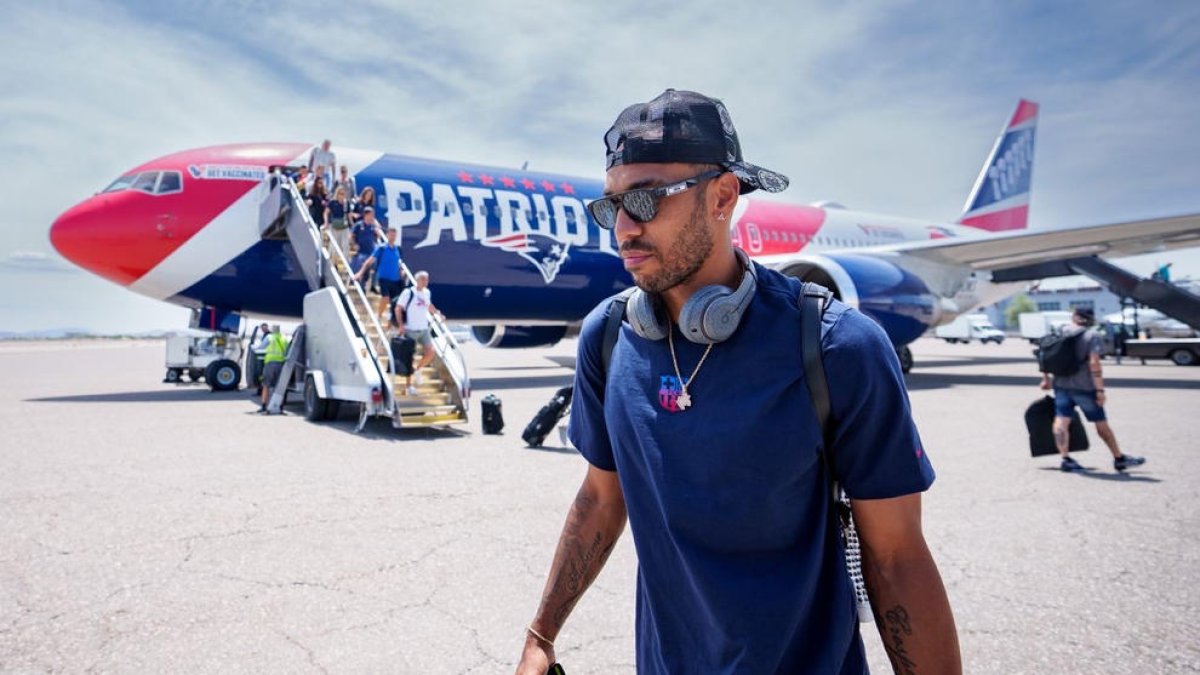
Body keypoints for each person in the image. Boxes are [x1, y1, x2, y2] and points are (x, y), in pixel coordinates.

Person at [515, 89, 960, 674]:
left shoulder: (836, 346)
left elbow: (898, 558)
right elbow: (601, 497)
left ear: (723, 196)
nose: (623, 228)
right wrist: (541, 634)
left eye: (645, 200)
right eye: (611, 206)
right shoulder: (609, 336)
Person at [1039, 307, 1146, 472]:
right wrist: (1100, 390)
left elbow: (1044, 356)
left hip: (1061, 385)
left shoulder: (1059, 332)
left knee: (1061, 421)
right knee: (1100, 423)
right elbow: (1094, 362)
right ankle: (1119, 458)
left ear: (1074, 316)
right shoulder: (1092, 336)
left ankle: (1065, 459)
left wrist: (1046, 379)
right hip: (1085, 387)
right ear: (1090, 319)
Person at [393, 271, 442, 395]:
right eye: (423, 279)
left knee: (431, 352)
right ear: (417, 280)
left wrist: (437, 313)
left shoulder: (427, 293)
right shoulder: (408, 292)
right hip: (410, 329)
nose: (426, 282)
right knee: (409, 358)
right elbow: (398, 308)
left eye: (427, 279)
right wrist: (400, 325)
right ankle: (408, 386)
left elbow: (429, 305)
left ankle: (417, 369)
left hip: (423, 329)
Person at [354, 227, 407, 320]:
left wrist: (401, 272)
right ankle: (378, 315)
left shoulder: (398, 249)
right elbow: (369, 261)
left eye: (394, 235)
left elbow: (400, 264)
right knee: (385, 298)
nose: (393, 237)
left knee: (395, 302)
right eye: (391, 234)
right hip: (384, 278)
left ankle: (390, 323)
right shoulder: (381, 248)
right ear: (387, 235)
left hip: (396, 280)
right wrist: (360, 273)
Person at [258, 324, 289, 414]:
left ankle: (264, 406)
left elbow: (261, 348)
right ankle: (280, 407)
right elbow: (287, 351)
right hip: (281, 364)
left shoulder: (269, 337)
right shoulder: (284, 338)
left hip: (270, 363)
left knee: (266, 385)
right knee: (280, 386)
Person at [351, 207, 384, 273]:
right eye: (371, 215)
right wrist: (354, 244)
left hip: (371, 253)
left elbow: (379, 237)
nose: (373, 216)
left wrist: (377, 228)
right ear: (366, 215)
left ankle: (373, 283)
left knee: (376, 268)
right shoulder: (358, 225)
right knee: (360, 270)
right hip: (361, 253)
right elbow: (352, 236)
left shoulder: (373, 226)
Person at [325, 185, 352, 258]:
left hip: (344, 226)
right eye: (340, 193)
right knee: (334, 245)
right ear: (337, 193)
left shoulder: (346, 203)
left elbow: (349, 215)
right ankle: (333, 260)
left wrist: (352, 225)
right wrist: (326, 222)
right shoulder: (332, 202)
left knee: (345, 245)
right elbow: (326, 213)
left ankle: (345, 262)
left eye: (343, 194)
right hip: (334, 226)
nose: (342, 195)